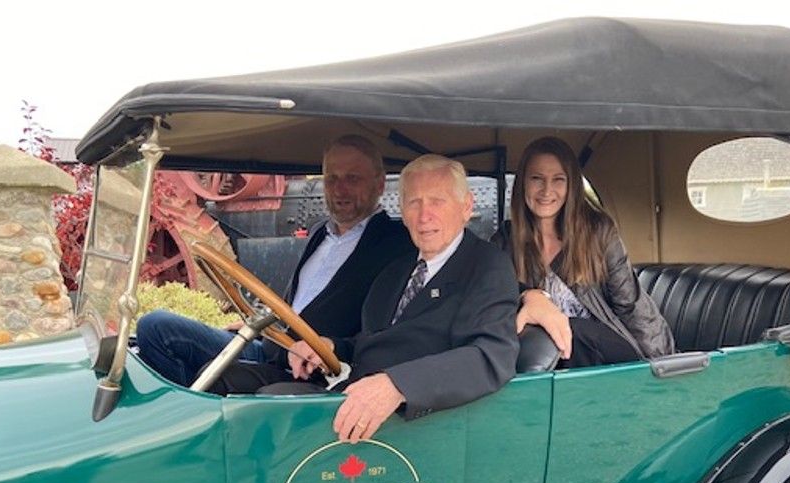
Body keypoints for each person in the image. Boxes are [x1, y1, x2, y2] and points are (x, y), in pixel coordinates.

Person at [228, 154, 520, 443]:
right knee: (230, 382)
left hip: (410, 421)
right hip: (351, 391)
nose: (424, 215)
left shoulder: (486, 266)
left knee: (270, 405)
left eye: (437, 201)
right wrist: (330, 347)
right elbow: (374, 340)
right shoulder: (398, 269)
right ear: (402, 211)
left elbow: (490, 355)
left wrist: (398, 385)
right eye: (414, 202)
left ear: (466, 207)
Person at [135, 134, 413, 387]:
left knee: (217, 375)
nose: (339, 190)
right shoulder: (320, 232)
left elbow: (382, 332)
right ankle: (184, 417)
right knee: (155, 328)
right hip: (269, 344)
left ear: (379, 184)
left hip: (309, 370)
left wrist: (333, 348)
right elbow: (295, 305)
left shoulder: (396, 243)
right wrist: (259, 327)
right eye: (332, 178)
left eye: (352, 179)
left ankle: (190, 424)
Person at [496, 136, 675, 367]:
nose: (547, 190)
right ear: (522, 184)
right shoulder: (506, 240)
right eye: (537, 179)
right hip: (550, 359)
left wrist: (665, 366)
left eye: (558, 180)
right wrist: (529, 295)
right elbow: (493, 296)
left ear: (571, 186)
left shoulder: (597, 231)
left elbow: (630, 304)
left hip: (605, 349)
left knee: (569, 328)